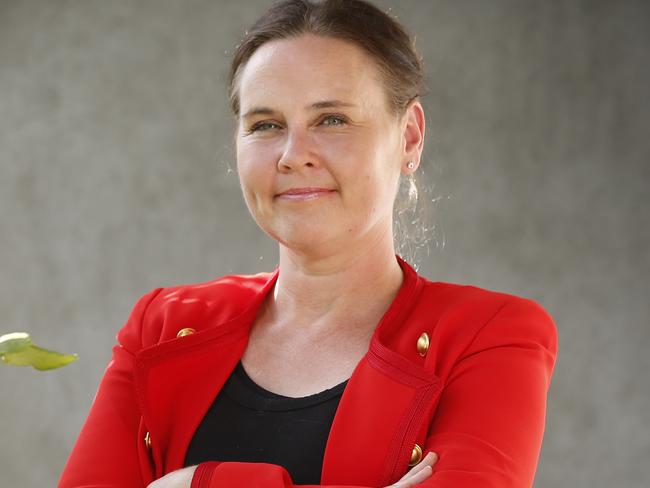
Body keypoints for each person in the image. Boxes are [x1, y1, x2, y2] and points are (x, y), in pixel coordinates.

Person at [58, 0, 558, 487]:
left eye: (332, 120)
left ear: (409, 137)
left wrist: (198, 483)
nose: (293, 155)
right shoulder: (161, 326)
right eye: (266, 125)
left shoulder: (491, 337)